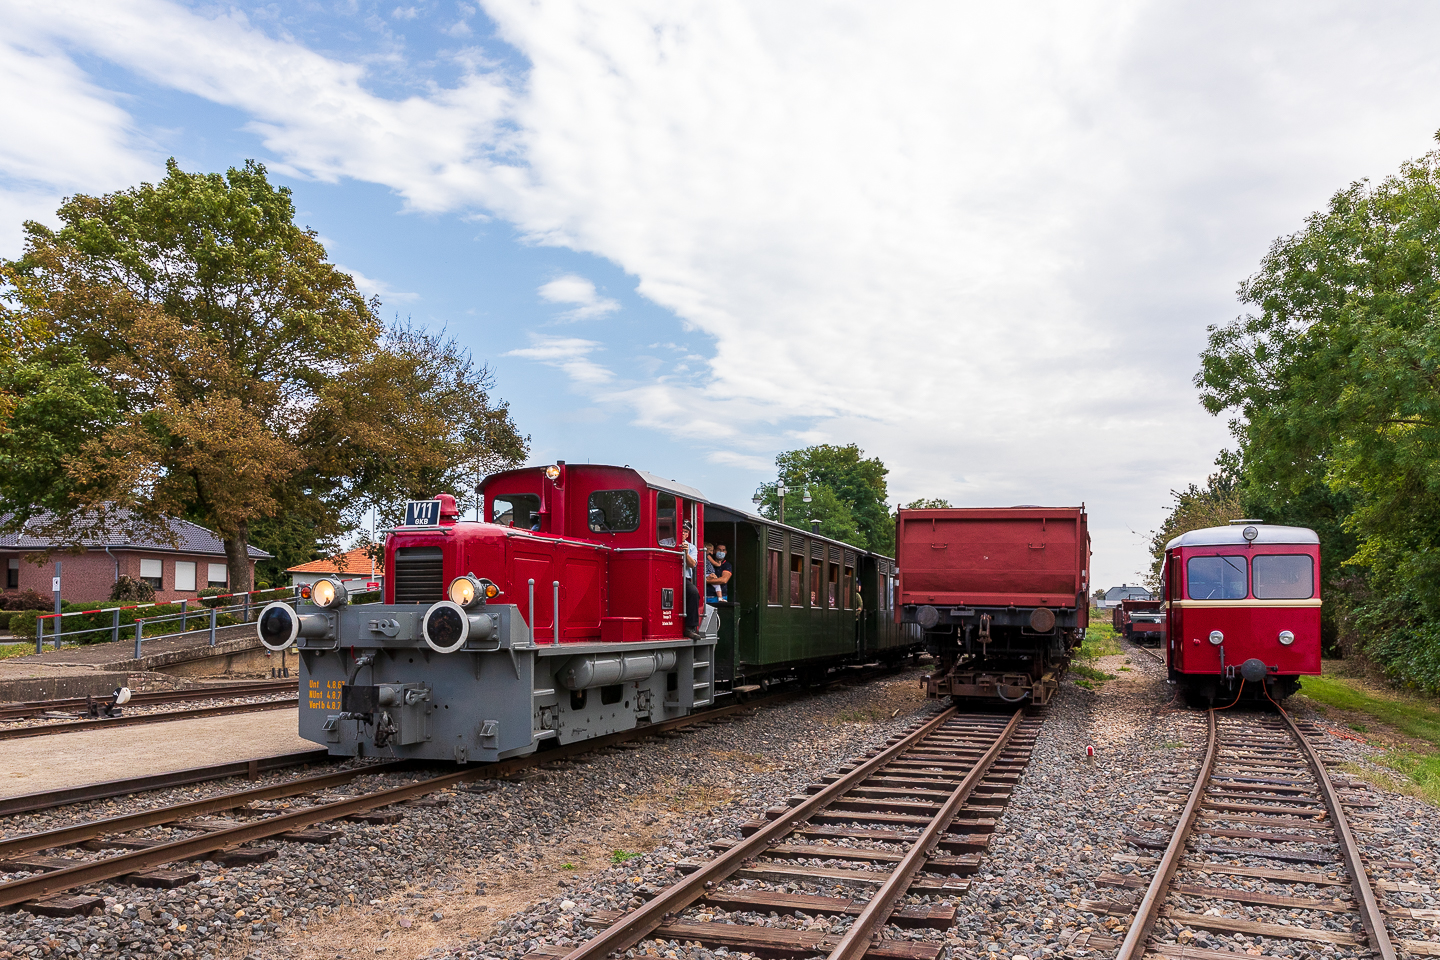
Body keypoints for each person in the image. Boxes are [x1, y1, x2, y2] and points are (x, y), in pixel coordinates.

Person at [681, 522, 701, 638]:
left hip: (684, 578)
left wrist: (686, 553)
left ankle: (690, 628)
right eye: (682, 530)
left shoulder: (692, 547)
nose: (683, 533)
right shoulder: (666, 542)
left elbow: (692, 564)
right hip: (666, 576)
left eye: (686, 532)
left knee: (693, 592)